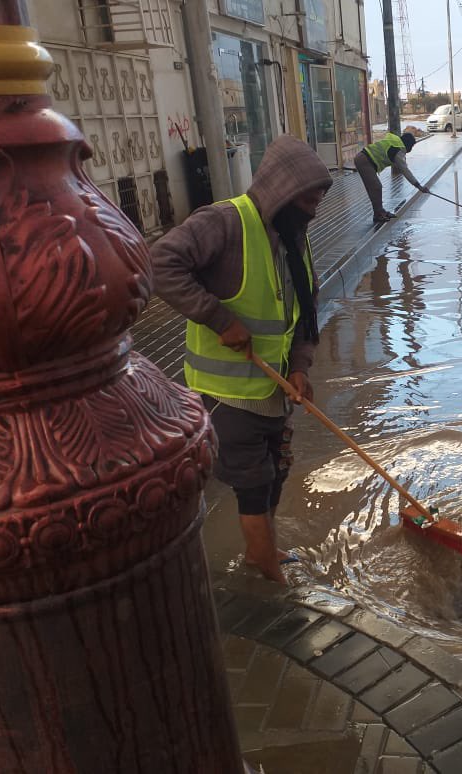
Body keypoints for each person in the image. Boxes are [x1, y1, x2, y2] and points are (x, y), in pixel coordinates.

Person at [151, 135, 331, 585]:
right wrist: (217, 318)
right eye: (308, 198)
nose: (315, 209)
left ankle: (263, 548)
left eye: (320, 199)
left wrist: (300, 368)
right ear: (282, 190)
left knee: (275, 474)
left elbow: (304, 315)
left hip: (274, 391)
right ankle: (265, 568)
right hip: (227, 393)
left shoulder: (294, 238)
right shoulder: (224, 223)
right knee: (252, 484)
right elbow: (160, 264)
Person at [354, 131, 428, 223]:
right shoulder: (398, 151)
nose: (411, 149)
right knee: (376, 187)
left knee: (375, 187)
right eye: (412, 147)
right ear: (408, 145)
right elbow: (405, 171)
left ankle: (380, 211)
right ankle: (378, 214)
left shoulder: (395, 142)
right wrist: (419, 186)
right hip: (364, 161)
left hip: (364, 158)